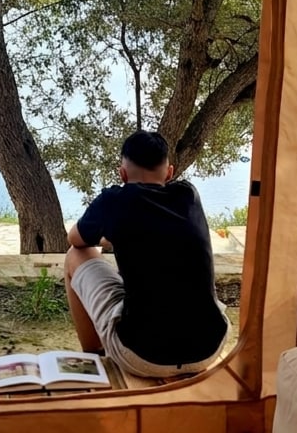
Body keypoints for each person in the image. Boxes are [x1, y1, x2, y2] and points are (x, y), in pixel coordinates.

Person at [64, 130, 230, 378]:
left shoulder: (113, 201)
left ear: (122, 174)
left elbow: (75, 239)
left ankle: (95, 356)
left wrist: (110, 236)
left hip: (142, 355)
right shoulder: (189, 195)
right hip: (209, 347)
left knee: (74, 256)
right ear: (170, 173)